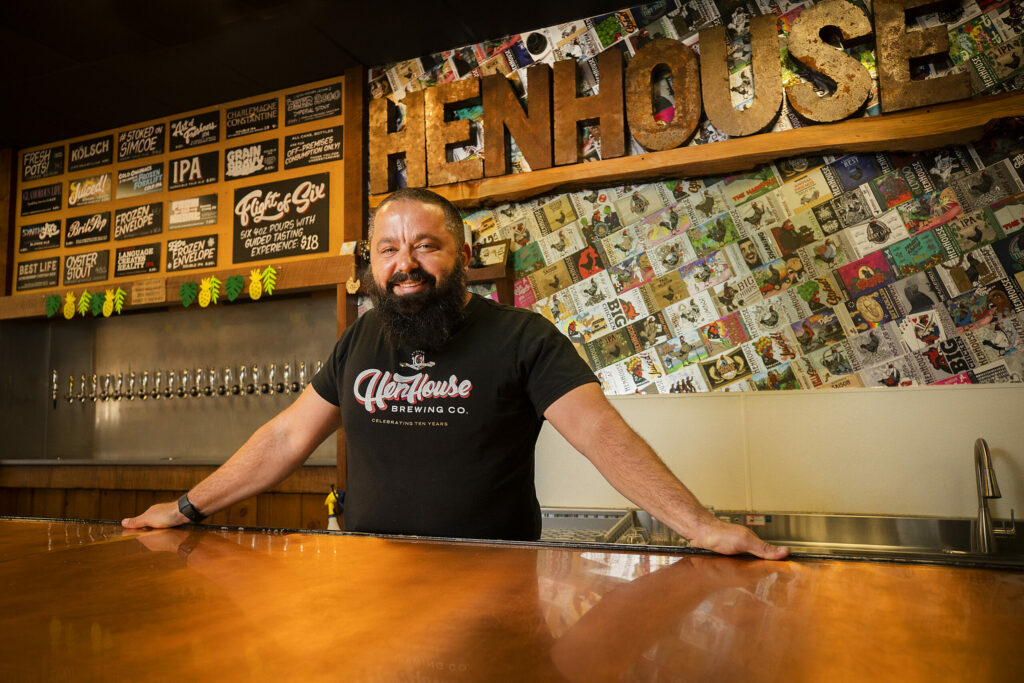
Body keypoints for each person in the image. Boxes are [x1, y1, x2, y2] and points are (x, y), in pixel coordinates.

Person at [123, 188, 787, 560]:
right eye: (389, 249)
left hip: (494, 579)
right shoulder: (360, 338)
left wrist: (698, 526)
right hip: (371, 574)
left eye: (425, 246)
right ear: (371, 263)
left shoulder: (522, 336)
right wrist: (186, 506)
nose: (405, 264)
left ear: (460, 254)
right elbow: (285, 438)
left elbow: (603, 437)